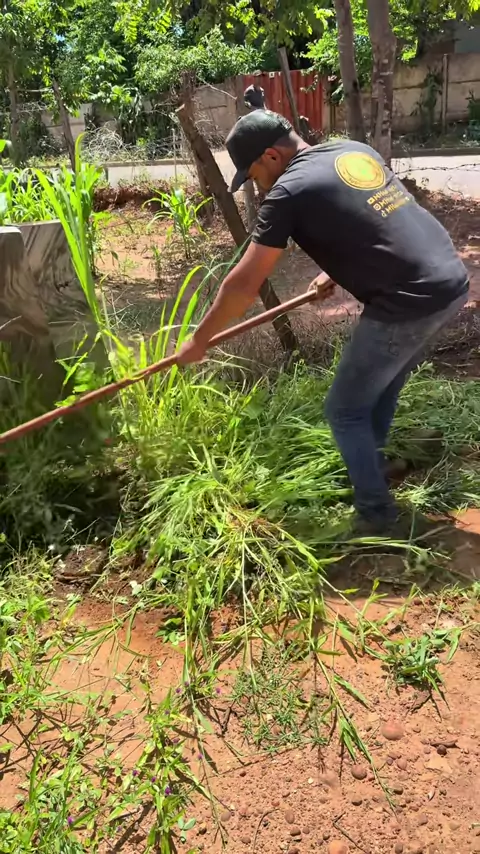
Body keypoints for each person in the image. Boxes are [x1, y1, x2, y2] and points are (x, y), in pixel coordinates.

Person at [177, 110, 469, 537]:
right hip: (450, 282)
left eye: (254, 174)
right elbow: (376, 222)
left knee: (344, 410)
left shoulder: (287, 192)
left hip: (408, 302)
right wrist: (332, 272)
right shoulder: (350, 150)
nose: (259, 186)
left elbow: (243, 284)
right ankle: (372, 469)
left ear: (271, 156)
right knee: (377, 390)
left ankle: (376, 516)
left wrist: (200, 339)